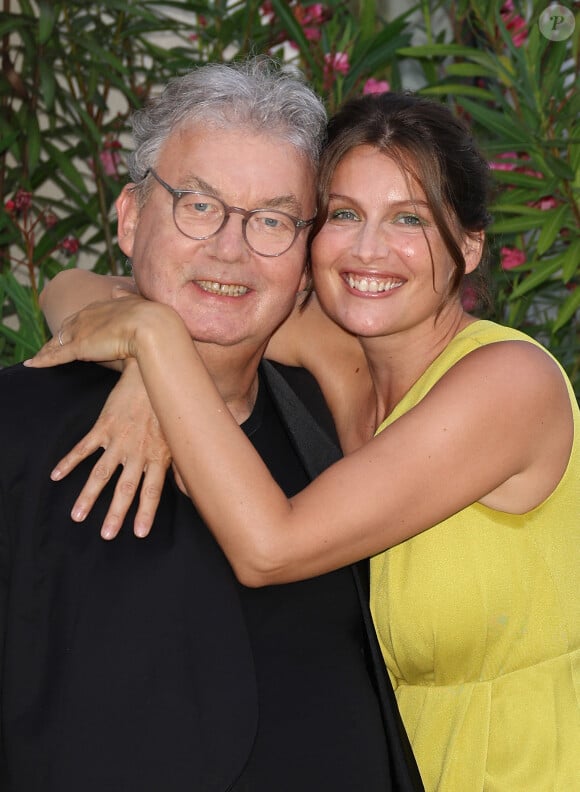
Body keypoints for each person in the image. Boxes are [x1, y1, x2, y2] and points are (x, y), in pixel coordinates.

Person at [35, 90, 580, 791]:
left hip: (528, 764)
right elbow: (75, 290)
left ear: (470, 246)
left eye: (408, 218)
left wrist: (154, 342)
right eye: (345, 215)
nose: (368, 249)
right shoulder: (337, 349)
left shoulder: (507, 384)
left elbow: (270, 547)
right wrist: (149, 364)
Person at [0, 61, 424, 791]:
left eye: (270, 220)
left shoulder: (335, 417)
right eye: (199, 206)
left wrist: (154, 349)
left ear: (304, 259)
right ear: (131, 218)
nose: (231, 248)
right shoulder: (16, 423)